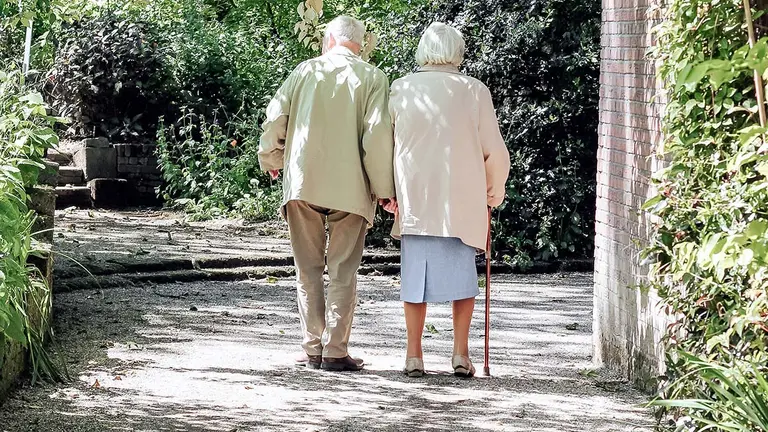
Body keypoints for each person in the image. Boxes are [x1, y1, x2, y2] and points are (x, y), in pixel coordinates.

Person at [258, 15, 397, 372]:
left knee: (307, 269)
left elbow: (275, 118)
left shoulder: (304, 71)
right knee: (343, 270)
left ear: (329, 39)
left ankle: (311, 348)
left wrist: (271, 157)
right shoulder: (373, 78)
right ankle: (335, 350)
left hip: (304, 182)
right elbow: (376, 137)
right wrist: (385, 190)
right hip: (351, 187)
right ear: (360, 45)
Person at [388, 22, 511, 378]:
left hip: (416, 197)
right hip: (462, 199)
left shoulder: (402, 88)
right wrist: (494, 191)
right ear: (457, 52)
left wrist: (387, 192)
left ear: (423, 51)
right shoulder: (474, 91)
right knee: (463, 279)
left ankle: (414, 355)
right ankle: (460, 353)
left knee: (415, 279)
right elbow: (494, 151)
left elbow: (386, 144)